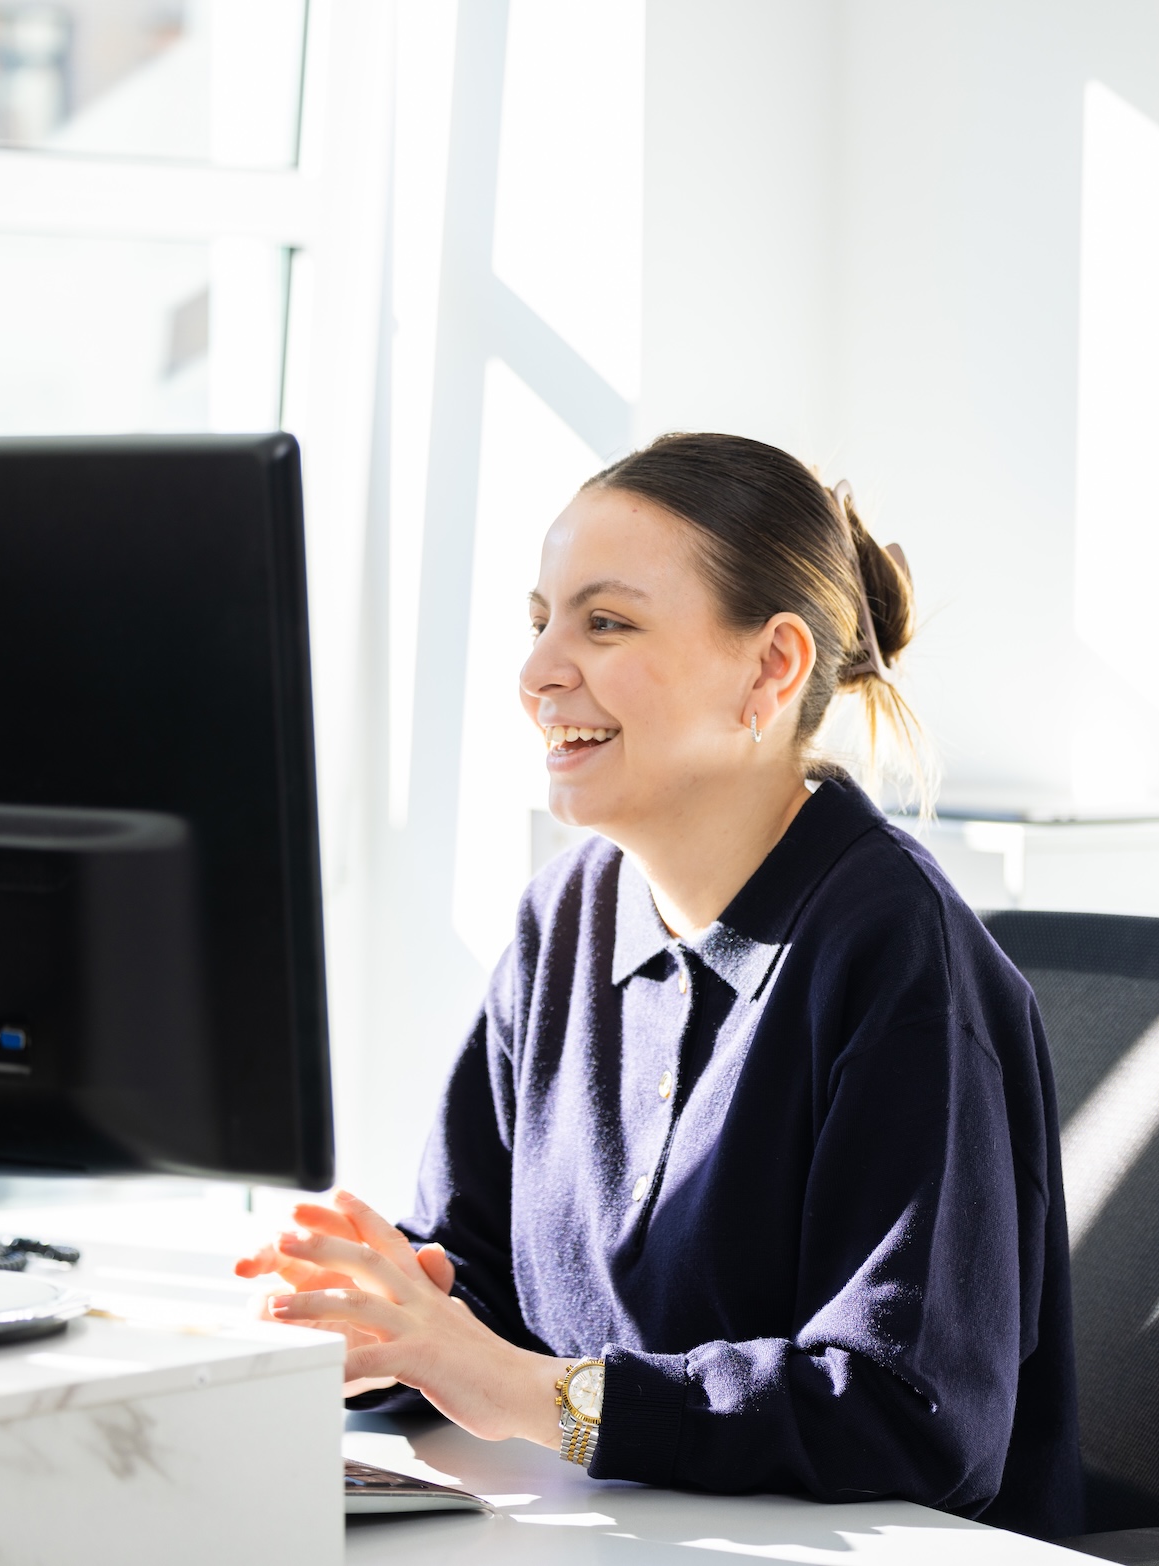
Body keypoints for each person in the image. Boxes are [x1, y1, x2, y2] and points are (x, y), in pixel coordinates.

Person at [236, 432, 1084, 1538]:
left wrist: (529, 1394)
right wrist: (390, 1316)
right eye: (538, 618)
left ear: (769, 670)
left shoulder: (897, 953)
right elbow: (488, 1279)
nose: (540, 670)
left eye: (605, 622)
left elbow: (906, 1417)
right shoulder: (566, 918)